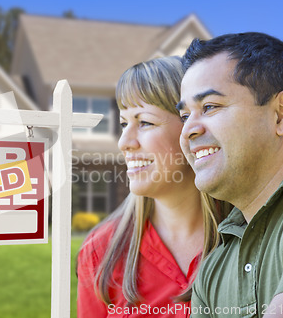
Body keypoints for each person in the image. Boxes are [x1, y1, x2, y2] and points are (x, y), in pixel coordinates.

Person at [177, 32, 283, 318]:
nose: (187, 131)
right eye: (184, 116)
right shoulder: (214, 269)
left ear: (280, 114)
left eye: (210, 107)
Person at [77, 56, 231, 318]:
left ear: (192, 129)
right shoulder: (99, 252)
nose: (124, 142)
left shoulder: (253, 235)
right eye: (125, 123)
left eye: (144, 122)